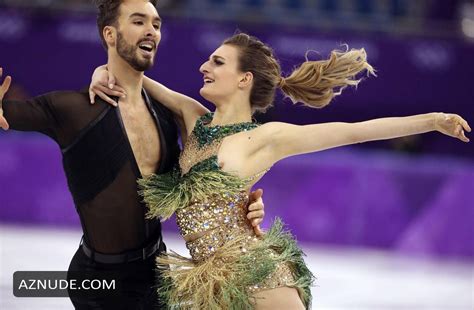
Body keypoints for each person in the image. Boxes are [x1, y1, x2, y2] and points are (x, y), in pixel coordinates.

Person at [90, 33, 470, 309]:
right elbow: (127, 78)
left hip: (256, 276)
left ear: (244, 79)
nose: (204, 66)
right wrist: (98, 73)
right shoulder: (193, 118)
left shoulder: (268, 137)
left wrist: (433, 120)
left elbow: (355, 131)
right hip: (208, 283)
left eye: (218, 62)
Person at [0, 1, 266, 308]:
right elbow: (10, 113)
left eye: (156, 24)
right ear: (110, 35)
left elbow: (216, 169)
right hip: (98, 280)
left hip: (157, 271)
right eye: (139, 22)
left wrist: (245, 203)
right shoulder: (70, 109)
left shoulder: (170, 116)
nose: (151, 30)